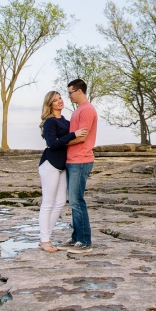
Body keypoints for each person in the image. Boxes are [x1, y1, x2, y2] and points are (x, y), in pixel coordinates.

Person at [37, 90, 88, 253]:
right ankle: (45, 240)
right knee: (48, 203)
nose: (60, 101)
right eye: (55, 100)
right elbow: (52, 143)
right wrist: (73, 134)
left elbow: (68, 141)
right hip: (50, 164)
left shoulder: (66, 121)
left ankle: (46, 236)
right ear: (50, 104)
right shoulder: (50, 122)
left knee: (60, 203)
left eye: (60, 98)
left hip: (62, 165)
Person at [63, 78, 98, 254]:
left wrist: (60, 143)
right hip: (72, 160)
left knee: (77, 201)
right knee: (73, 200)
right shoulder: (78, 111)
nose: (68, 96)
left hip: (81, 160)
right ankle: (77, 237)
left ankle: (85, 241)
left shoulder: (87, 110)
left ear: (79, 91)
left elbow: (82, 137)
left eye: (70, 92)